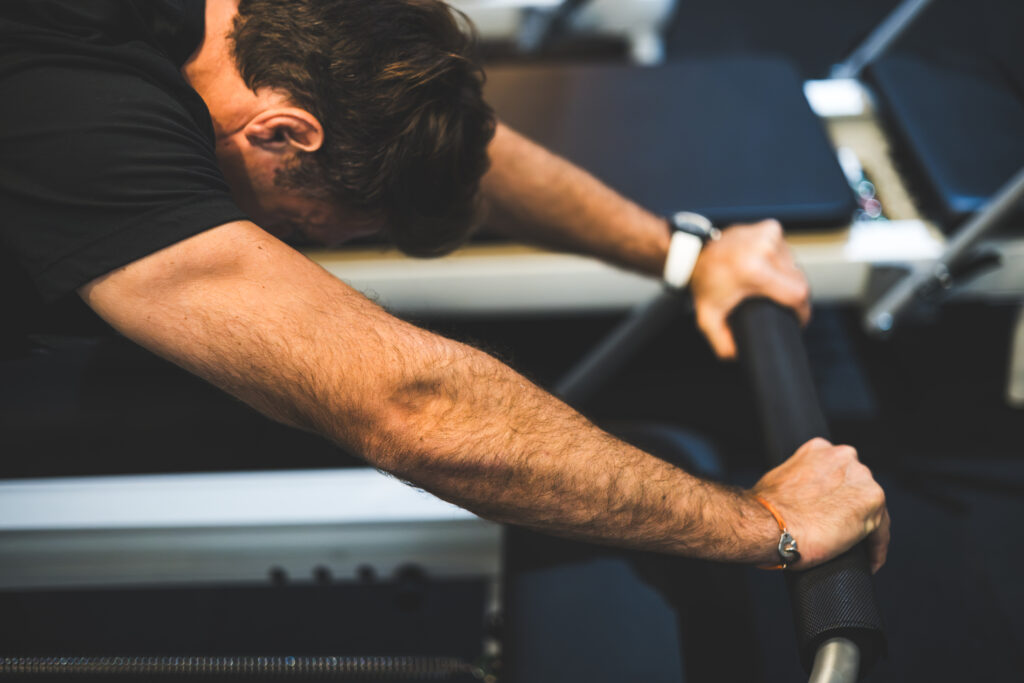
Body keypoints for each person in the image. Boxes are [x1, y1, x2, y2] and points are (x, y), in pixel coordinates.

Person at [1, 1, 889, 676]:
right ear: (281, 134)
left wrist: (687, 257)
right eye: (313, 225)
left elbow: (459, 147)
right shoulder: (81, 114)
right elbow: (409, 402)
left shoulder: (254, 30)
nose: (304, 245)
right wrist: (764, 524)